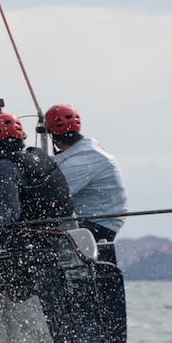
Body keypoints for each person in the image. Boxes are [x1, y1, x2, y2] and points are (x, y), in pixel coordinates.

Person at [44, 104, 128, 263]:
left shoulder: (84, 158)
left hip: (98, 224)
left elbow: (54, 195)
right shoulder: (83, 149)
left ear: (53, 136)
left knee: (39, 236)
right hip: (95, 219)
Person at [0, 112, 75, 224]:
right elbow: (34, 187)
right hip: (70, 223)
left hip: (44, 230)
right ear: (22, 137)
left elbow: (11, 216)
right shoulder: (39, 154)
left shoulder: (3, 165)